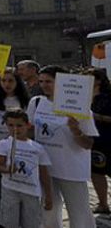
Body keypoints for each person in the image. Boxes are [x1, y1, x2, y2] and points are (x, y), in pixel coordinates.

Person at [27, 65, 98, 228]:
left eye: (49, 81)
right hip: (45, 167)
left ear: (63, 82)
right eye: (41, 81)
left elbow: (88, 144)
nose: (44, 85)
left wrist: (76, 130)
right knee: (49, 210)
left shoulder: (80, 107)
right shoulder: (36, 102)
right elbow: (30, 131)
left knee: (79, 212)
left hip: (71, 168)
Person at [0, 67, 30, 226]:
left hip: (17, 149)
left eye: (10, 80)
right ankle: (0, 220)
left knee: (17, 186)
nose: (6, 84)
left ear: (18, 82)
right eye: (3, 80)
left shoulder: (24, 101)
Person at [0, 109, 53, 228]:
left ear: (28, 125)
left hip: (31, 191)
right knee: (9, 223)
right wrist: (7, 169)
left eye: (19, 125)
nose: (15, 129)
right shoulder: (4, 144)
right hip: (10, 189)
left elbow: (44, 173)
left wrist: (49, 195)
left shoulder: (37, 148)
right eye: (10, 125)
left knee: (32, 223)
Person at [91, 68, 111, 214]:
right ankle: (103, 203)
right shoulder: (82, 96)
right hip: (92, 139)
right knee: (96, 172)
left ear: (98, 80)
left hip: (107, 137)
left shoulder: (108, 96)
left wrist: (98, 117)